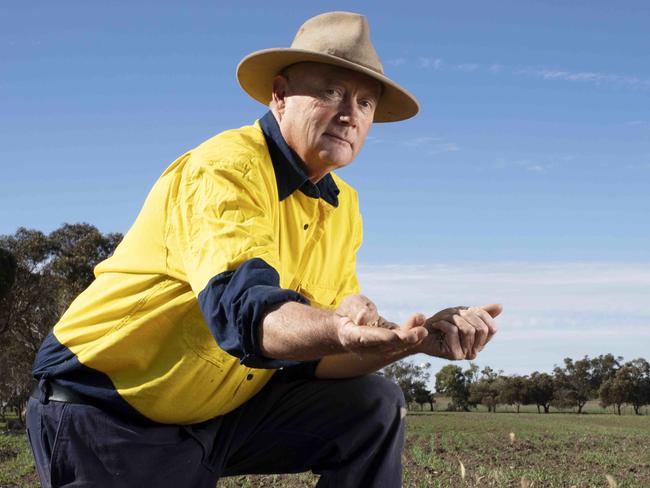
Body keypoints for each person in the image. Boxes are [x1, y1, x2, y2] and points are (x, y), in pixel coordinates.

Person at [26, 11, 500, 488]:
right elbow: (247, 312)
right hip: (109, 414)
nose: (349, 114)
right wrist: (339, 328)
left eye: (365, 102)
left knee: (373, 404)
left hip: (216, 416)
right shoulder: (225, 168)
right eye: (331, 91)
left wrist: (408, 341)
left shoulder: (343, 206)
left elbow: (321, 355)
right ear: (278, 95)